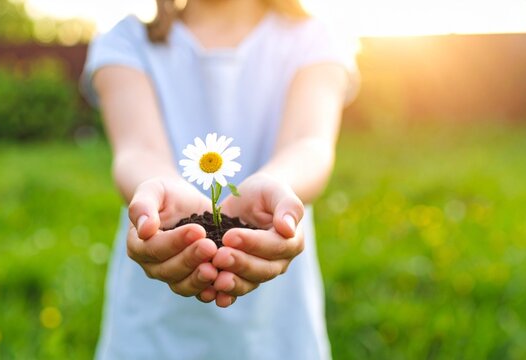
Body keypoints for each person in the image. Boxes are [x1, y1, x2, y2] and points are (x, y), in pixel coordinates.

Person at [81, 0, 358, 358]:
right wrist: (158, 189)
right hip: (152, 327)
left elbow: (309, 143)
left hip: (275, 325)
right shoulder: (127, 40)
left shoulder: (315, 39)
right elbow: (137, 150)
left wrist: (277, 186)